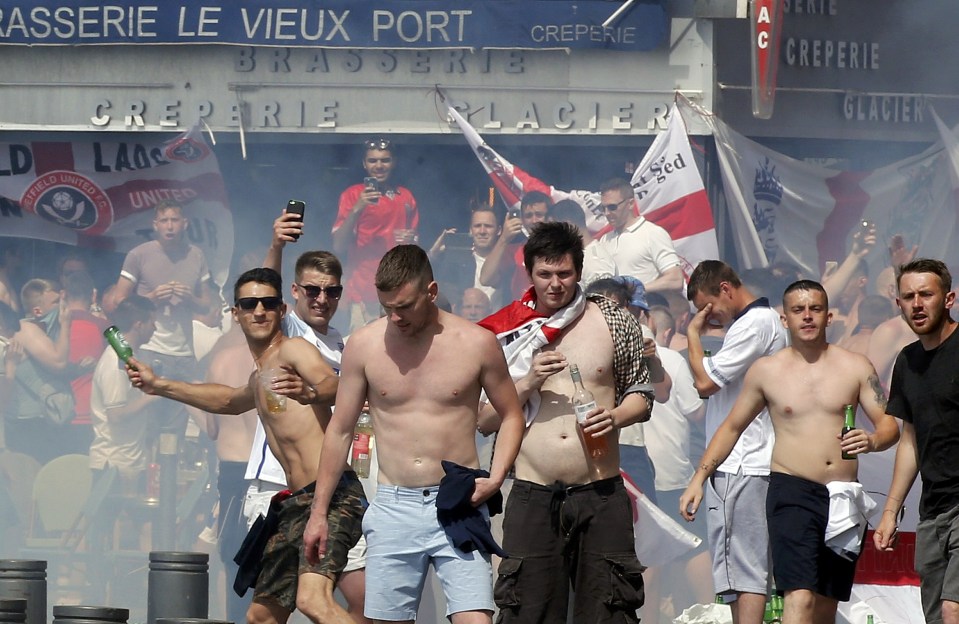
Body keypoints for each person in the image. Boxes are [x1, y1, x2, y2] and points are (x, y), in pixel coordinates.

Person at [127, 268, 363, 624]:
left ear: (282, 309)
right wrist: (159, 385)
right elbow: (228, 401)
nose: (259, 311)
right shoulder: (261, 374)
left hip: (330, 496)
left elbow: (333, 383)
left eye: (268, 303)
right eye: (249, 304)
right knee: (261, 617)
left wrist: (311, 391)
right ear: (235, 313)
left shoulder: (295, 351)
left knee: (315, 602)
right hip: (294, 502)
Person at [304, 245, 525, 623]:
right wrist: (318, 512)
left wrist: (495, 478)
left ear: (432, 292)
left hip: (458, 501)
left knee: (475, 620)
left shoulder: (476, 342)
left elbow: (511, 415)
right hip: (393, 504)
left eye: (404, 306)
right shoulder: (364, 345)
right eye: (387, 306)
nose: (395, 317)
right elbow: (340, 430)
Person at [681, 280, 899, 624]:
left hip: (843, 495)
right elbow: (731, 427)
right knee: (798, 596)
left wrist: (872, 441)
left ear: (829, 316)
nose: (807, 317)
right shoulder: (767, 370)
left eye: (815, 309)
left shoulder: (856, 366)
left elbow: (889, 425)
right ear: (785, 320)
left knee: (826, 604)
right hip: (792, 489)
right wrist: (699, 477)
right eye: (798, 310)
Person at [477, 222, 660, 623]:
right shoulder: (506, 333)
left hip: (599, 489)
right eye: (545, 274)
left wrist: (612, 417)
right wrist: (527, 381)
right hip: (532, 491)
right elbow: (485, 420)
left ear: (579, 272)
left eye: (564, 273)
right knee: (527, 612)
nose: (555, 284)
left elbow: (642, 396)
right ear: (529, 273)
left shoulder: (611, 319)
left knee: (610, 611)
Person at [265, 211, 369, 623]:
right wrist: (276, 245)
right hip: (282, 486)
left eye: (331, 292)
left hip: (329, 486)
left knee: (356, 598)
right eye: (312, 290)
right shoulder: (284, 328)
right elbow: (265, 289)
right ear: (295, 292)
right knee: (287, 607)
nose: (321, 299)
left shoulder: (342, 344)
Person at [685, 259, 789, 624]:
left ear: (725, 289)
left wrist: (693, 335)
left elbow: (705, 382)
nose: (707, 316)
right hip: (740, 460)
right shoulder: (752, 325)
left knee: (743, 569)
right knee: (736, 571)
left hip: (743, 461)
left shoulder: (755, 323)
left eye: (706, 307)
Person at [874, 258, 959, 624]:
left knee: (955, 608)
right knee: (938, 615)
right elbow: (910, 439)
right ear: (899, 305)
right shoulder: (907, 362)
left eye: (926, 294)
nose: (917, 304)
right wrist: (891, 512)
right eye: (908, 296)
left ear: (949, 298)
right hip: (931, 512)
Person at [106, 199, 215, 437]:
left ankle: (171, 471)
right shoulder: (139, 254)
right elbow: (119, 301)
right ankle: (150, 472)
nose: (169, 226)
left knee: (178, 426)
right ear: (155, 225)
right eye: (164, 220)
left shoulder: (196, 255)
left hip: (184, 352)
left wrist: (190, 299)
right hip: (150, 348)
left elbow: (207, 305)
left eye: (174, 220)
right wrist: (152, 297)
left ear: (184, 224)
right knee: (149, 422)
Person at [332, 137, 419, 331]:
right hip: (362, 293)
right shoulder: (352, 195)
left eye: (385, 160)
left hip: (398, 291)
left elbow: (416, 251)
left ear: (393, 162)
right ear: (364, 164)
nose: (379, 166)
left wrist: (411, 241)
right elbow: (338, 245)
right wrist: (357, 209)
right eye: (373, 161)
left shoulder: (406, 197)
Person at [89, 295, 160, 492]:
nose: (155, 328)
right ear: (139, 324)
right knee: (111, 523)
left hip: (130, 464)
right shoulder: (114, 363)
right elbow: (116, 415)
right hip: (114, 466)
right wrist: (153, 397)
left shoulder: (129, 356)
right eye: (152, 322)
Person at [588, 178, 684, 294]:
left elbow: (675, 279)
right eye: (603, 208)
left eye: (612, 207)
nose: (607, 213)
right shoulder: (605, 239)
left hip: (645, 309)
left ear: (631, 204)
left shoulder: (653, 233)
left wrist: (637, 289)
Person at [479, 191, 551, 300]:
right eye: (528, 216)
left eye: (539, 215)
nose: (534, 220)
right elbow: (485, 279)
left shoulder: (561, 249)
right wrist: (504, 238)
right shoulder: (514, 251)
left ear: (549, 218)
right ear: (522, 220)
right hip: (522, 313)